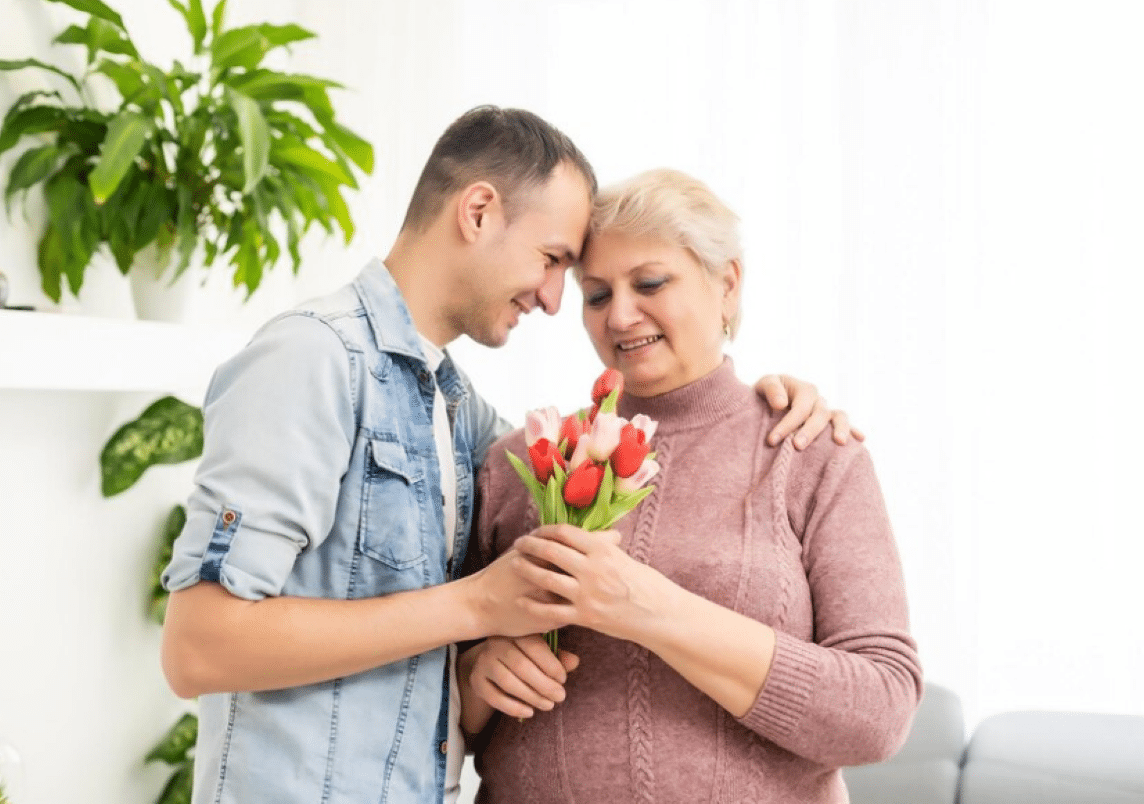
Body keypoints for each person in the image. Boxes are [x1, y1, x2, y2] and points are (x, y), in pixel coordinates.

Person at [158, 107, 855, 804]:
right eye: (554, 261)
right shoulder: (312, 357)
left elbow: (597, 451)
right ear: (479, 212)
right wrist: (476, 606)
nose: (553, 300)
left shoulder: (455, 409)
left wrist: (760, 403)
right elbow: (198, 648)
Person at [461, 168, 921, 803]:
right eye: (597, 295)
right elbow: (425, 709)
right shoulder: (522, 462)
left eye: (650, 283)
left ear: (727, 283)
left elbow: (879, 715)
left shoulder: (810, 454)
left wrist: (650, 609)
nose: (621, 315)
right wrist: (476, 675)